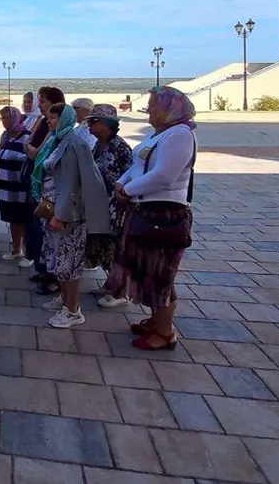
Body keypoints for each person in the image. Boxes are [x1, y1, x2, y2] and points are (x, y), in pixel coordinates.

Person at [114, 87, 197, 351]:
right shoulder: (162, 133)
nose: (148, 109)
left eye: (152, 104)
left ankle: (165, 332)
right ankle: (155, 320)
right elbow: (138, 165)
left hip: (164, 214)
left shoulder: (180, 135)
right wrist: (121, 182)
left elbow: (163, 176)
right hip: (146, 210)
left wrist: (127, 190)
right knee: (146, 271)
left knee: (162, 275)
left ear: (169, 107)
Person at [38, 103, 110, 328]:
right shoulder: (60, 140)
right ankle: (65, 300)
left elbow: (73, 183)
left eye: (52, 117)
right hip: (57, 209)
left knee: (70, 262)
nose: (48, 121)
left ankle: (73, 310)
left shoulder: (74, 143)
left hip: (69, 214)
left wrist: (61, 215)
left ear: (63, 118)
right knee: (61, 261)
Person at [84, 104, 134, 307]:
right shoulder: (98, 146)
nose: (90, 127)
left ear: (108, 124)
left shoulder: (120, 147)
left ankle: (120, 291)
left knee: (115, 247)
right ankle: (109, 283)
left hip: (115, 207)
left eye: (94, 122)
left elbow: (131, 175)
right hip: (99, 205)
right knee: (103, 245)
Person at [26, 86, 65, 284]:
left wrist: (29, 147)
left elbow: (36, 153)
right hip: (38, 184)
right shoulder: (42, 122)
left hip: (50, 190)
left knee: (49, 234)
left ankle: (53, 277)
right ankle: (43, 270)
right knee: (38, 229)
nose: (39, 105)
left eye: (42, 101)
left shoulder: (59, 134)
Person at [0, 106, 32, 264]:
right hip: (5, 185)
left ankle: (29, 253)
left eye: (7, 118)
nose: (4, 122)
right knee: (12, 219)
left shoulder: (27, 137)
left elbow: (29, 158)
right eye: (2, 118)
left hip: (20, 186)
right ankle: (16, 250)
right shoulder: (5, 136)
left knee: (24, 219)